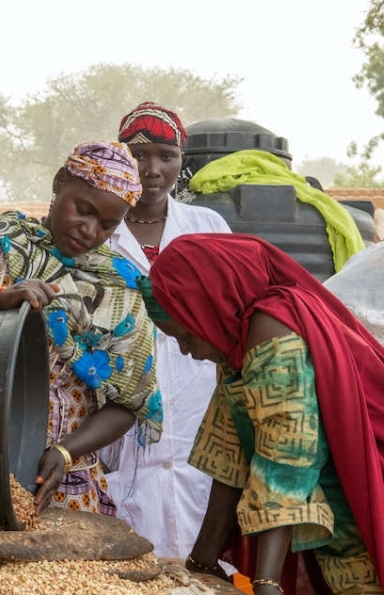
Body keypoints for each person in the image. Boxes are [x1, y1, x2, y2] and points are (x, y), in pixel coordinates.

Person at [139, 233, 384, 595]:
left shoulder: (273, 332)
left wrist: (266, 582)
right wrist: (203, 559)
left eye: (186, 335)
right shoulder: (235, 337)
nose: (186, 351)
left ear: (209, 307)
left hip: (365, 531)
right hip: (342, 546)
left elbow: (285, 462)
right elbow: (228, 452)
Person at [0, 141, 162, 523]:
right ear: (60, 181)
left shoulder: (120, 286)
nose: (90, 230)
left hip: (69, 482)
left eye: (108, 224)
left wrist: (64, 453)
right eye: (84, 209)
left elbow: (130, 401)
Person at [102, 102, 231, 560]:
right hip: (124, 421)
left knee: (209, 573)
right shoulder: (97, 230)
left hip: (199, 408)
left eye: (165, 156)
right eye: (138, 156)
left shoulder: (207, 227)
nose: (152, 169)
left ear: (182, 161)